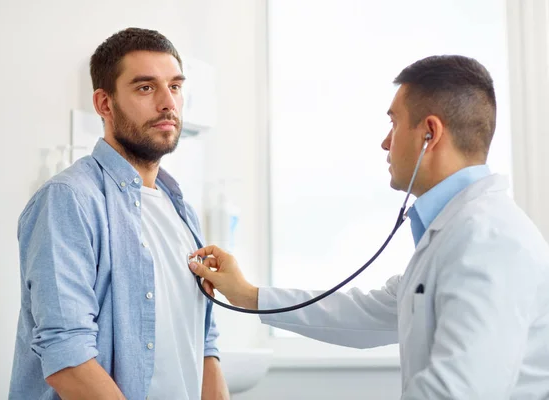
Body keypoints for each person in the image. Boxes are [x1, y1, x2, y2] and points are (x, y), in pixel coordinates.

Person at [189, 55, 549, 399]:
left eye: (393, 122)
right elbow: (363, 313)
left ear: (430, 134)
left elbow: (460, 391)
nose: (385, 142)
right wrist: (248, 295)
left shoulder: (489, 240)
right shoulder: (456, 232)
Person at [9, 28, 229, 400]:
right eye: (146, 88)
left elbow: (204, 342)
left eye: (175, 86)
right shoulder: (69, 199)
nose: (168, 104)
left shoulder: (181, 209)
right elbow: (68, 358)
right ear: (105, 104)